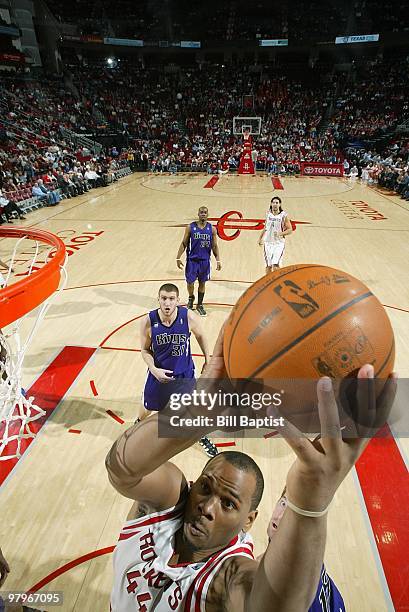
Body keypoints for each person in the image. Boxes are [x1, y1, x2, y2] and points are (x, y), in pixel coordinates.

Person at [106, 324, 395, 612]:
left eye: (228, 504)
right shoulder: (167, 503)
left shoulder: (229, 573)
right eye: (205, 487)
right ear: (193, 485)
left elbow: (272, 605)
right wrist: (199, 409)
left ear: (248, 521)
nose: (207, 507)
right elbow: (121, 467)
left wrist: (311, 502)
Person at [140, 283, 217, 458]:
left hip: (184, 374)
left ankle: (201, 436)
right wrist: (153, 369)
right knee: (147, 405)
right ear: (158, 299)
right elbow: (145, 350)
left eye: (171, 299)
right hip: (158, 374)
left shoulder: (188, 317)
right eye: (164, 298)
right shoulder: (148, 321)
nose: (167, 303)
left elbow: (201, 335)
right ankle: (138, 425)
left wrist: (207, 359)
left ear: (178, 300)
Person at [265, 488, 346, 611]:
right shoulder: (306, 550)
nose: (280, 516)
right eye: (283, 503)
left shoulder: (285, 584)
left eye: (291, 514)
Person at [176, 206, 221, 316]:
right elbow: (184, 243)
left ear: (208, 214)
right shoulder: (190, 227)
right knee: (190, 282)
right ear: (198, 214)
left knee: (202, 283)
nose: (203, 214)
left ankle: (200, 304)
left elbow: (214, 246)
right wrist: (178, 257)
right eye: (201, 212)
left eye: (205, 212)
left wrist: (218, 260)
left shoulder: (212, 229)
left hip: (205, 261)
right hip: (192, 260)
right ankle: (191, 297)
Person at [258, 196, 292, 273]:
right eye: (273, 202)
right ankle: (269, 284)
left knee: (276, 265)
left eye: (277, 203)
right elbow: (265, 227)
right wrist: (260, 238)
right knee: (268, 266)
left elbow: (290, 230)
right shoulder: (268, 214)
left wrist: (280, 233)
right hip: (268, 243)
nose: (275, 204)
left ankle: (277, 283)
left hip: (278, 243)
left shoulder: (283, 215)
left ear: (280, 204)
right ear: (271, 204)